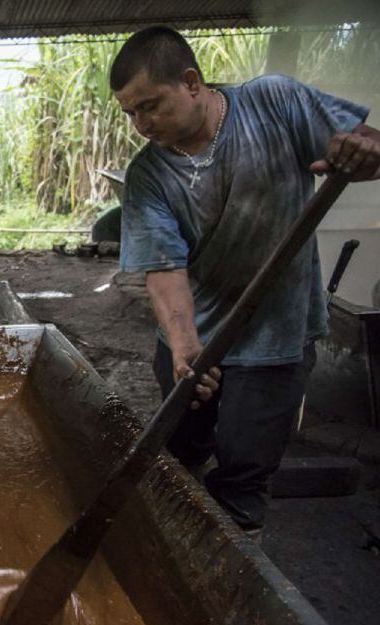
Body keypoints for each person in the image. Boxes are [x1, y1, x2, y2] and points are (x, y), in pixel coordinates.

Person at [111, 26, 380, 534]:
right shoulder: (149, 175)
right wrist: (186, 348)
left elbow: (365, 147)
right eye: (131, 114)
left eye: (150, 105)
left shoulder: (274, 102)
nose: (141, 124)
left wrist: (364, 155)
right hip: (193, 336)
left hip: (276, 334)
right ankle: (172, 543)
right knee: (181, 450)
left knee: (244, 471)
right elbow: (164, 270)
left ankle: (232, 577)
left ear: (191, 82)